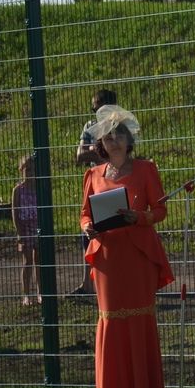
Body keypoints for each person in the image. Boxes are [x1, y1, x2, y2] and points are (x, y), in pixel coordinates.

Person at [78, 105, 173, 388]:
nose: (114, 140)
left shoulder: (146, 169)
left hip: (137, 255)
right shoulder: (92, 174)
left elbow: (159, 210)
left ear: (129, 139)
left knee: (139, 318)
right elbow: (83, 214)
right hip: (107, 257)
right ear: (101, 144)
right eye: (108, 136)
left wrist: (139, 217)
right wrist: (87, 227)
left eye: (120, 134)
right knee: (111, 320)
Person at [72, 88, 117, 295]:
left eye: (97, 108)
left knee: (114, 233)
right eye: (93, 109)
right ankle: (87, 284)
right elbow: (80, 154)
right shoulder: (90, 126)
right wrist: (101, 153)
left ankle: (112, 282)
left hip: (114, 184)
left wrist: (96, 152)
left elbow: (120, 157)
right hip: (94, 184)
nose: (94, 113)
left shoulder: (120, 126)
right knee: (89, 232)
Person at [12, 154, 39, 306]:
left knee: (39, 261)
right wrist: (19, 232)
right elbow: (15, 212)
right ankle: (26, 295)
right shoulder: (18, 190)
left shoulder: (39, 188)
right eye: (27, 170)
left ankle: (40, 292)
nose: (30, 173)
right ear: (21, 170)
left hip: (38, 227)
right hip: (24, 228)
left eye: (33, 170)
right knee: (27, 260)